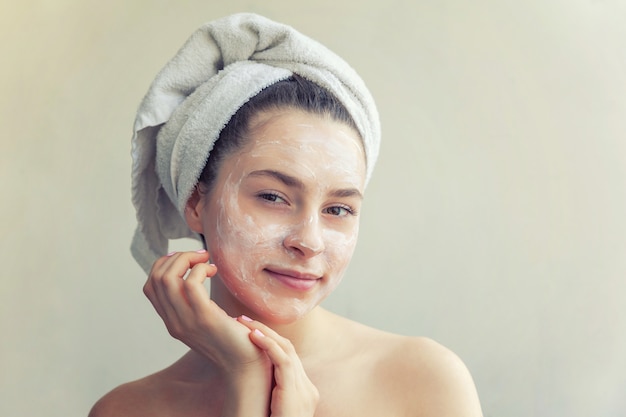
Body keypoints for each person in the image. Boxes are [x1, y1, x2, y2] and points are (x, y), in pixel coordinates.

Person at [89, 13, 483, 417]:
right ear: (195, 203)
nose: (309, 241)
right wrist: (245, 376)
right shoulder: (129, 410)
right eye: (274, 197)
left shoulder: (422, 381)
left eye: (338, 209)